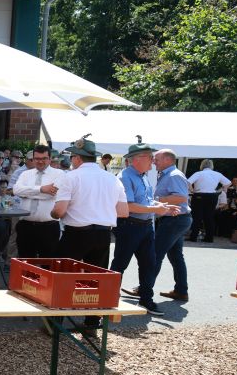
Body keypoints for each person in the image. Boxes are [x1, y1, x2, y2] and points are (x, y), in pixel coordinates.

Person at [50, 135, 129, 329]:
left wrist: (53, 213)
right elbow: (123, 212)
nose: (71, 161)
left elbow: (59, 211)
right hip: (102, 234)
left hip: (76, 233)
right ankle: (92, 321)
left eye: (72, 157)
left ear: (77, 158)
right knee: (96, 278)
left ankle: (56, 321)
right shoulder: (112, 179)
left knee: (62, 277)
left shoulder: (71, 177)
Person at [109, 138, 173, 316]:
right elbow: (129, 206)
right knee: (120, 263)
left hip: (145, 226)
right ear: (137, 159)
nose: (153, 160)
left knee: (149, 264)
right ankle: (109, 298)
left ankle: (146, 299)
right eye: (150, 157)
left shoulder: (142, 176)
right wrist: (156, 209)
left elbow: (146, 200)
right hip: (129, 226)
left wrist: (163, 207)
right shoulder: (125, 177)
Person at [152, 149, 194, 302]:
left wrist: (156, 200)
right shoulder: (169, 174)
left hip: (174, 220)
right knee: (176, 256)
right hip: (177, 219)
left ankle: (144, 288)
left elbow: (181, 197)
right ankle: (181, 291)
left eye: (157, 159)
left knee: (155, 254)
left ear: (168, 160)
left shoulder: (174, 175)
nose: (153, 162)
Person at [13, 145, 65, 258]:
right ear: (33, 159)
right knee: (25, 263)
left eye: (44, 158)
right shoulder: (25, 174)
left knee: (48, 264)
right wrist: (41, 189)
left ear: (50, 159)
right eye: (37, 158)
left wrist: (27, 193)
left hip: (49, 227)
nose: (40, 161)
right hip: (25, 226)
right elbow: (16, 190)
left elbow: (53, 194)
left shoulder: (59, 174)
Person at [187, 159, 230, 242]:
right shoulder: (218, 174)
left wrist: (192, 190)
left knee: (197, 217)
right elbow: (228, 183)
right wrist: (219, 190)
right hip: (212, 196)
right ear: (212, 166)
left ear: (202, 165)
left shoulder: (198, 173)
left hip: (199, 196)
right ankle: (209, 238)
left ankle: (194, 237)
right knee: (209, 217)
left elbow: (188, 182)